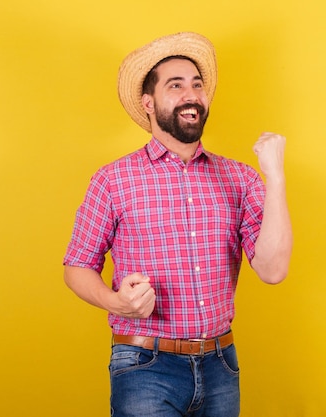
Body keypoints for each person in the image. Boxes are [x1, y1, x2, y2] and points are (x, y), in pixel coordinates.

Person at [63, 32, 292, 417]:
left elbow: (272, 269)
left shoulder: (241, 178)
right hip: (144, 365)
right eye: (176, 85)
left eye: (197, 85)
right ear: (148, 103)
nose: (192, 95)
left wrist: (276, 177)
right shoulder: (113, 180)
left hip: (221, 363)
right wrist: (116, 301)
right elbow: (76, 266)